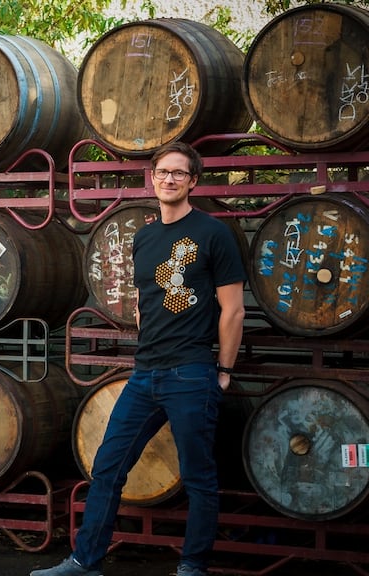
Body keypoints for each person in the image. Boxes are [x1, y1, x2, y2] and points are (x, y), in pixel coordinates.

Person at [31, 142, 246, 576]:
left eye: (179, 174)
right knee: (108, 466)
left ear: (193, 181)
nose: (169, 179)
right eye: (163, 172)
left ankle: (192, 566)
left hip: (191, 371)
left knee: (199, 478)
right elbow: (145, 302)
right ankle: (84, 561)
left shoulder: (212, 233)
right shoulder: (145, 237)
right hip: (145, 372)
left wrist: (223, 370)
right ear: (152, 177)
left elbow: (233, 309)